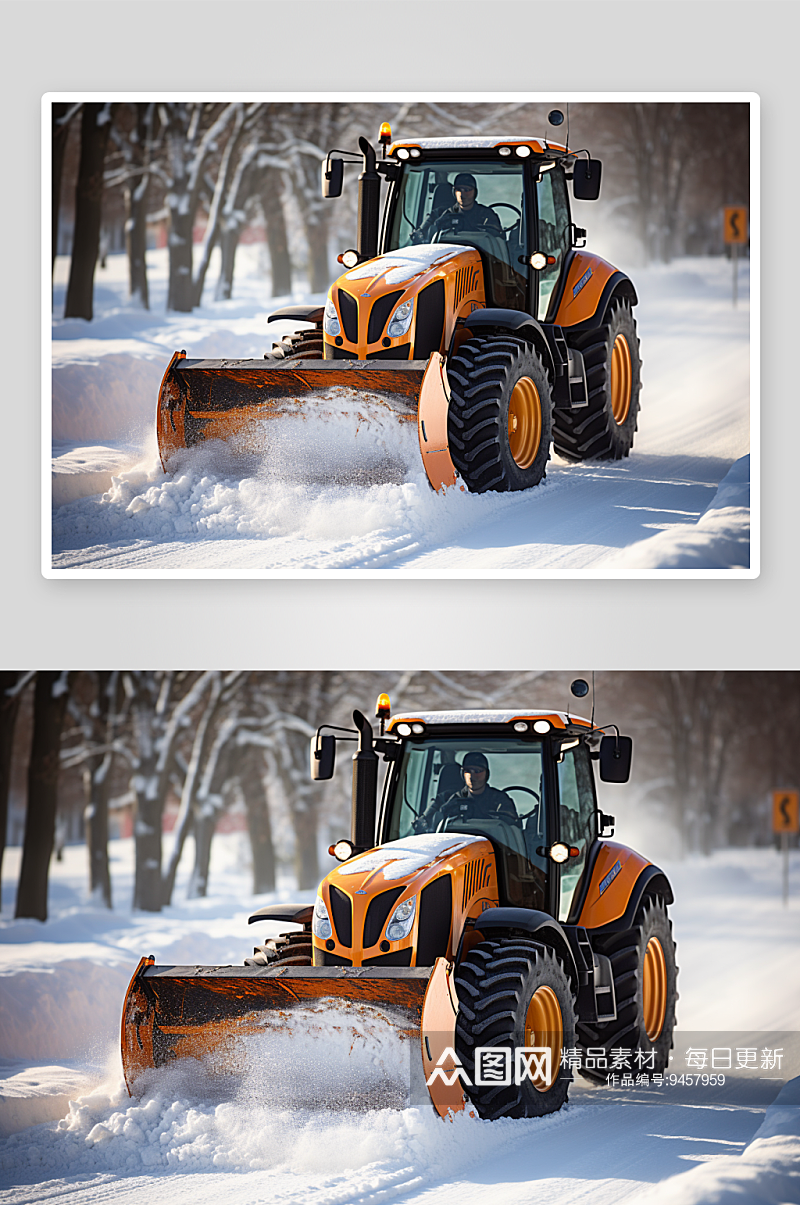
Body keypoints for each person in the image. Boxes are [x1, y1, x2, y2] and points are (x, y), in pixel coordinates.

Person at [414, 752, 518, 831]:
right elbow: (423, 824)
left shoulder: (501, 801)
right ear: (462, 773)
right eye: (467, 771)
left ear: (487, 774)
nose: (472, 776)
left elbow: (512, 831)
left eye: (477, 771)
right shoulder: (445, 799)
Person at [410, 174, 502, 244]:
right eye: (459, 190)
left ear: (475, 192)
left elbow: (497, 242)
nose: (462, 194)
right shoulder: (439, 214)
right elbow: (420, 237)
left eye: (467, 190)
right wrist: (437, 226)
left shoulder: (487, 216)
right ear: (453, 192)